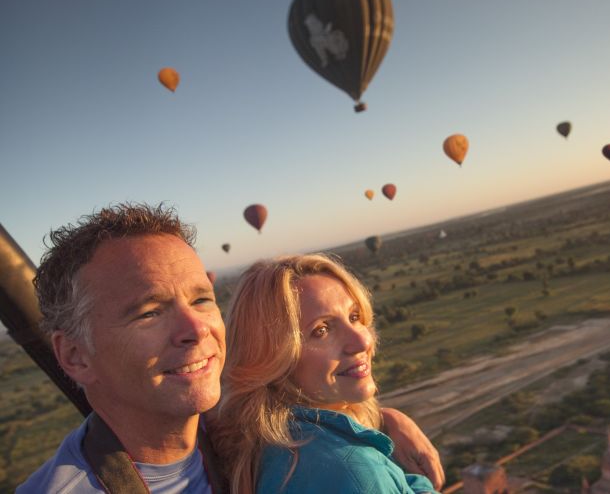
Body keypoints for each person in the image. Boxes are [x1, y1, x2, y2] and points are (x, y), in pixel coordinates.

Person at [17, 203, 443, 493]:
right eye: (149, 312)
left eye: (202, 299)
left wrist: (383, 422)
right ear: (74, 356)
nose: (196, 329)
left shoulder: (221, 431)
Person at [211, 254, 441, 494]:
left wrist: (387, 420)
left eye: (354, 317)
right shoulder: (351, 471)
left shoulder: (271, 447)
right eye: (321, 330)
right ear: (272, 358)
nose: (363, 340)